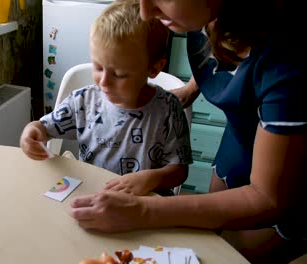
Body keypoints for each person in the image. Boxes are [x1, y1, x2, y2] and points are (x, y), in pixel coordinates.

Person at [69, 0, 307, 263]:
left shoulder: (290, 56)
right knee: (215, 233)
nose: (145, 11)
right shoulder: (201, 13)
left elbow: (267, 198)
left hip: (294, 177)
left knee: (233, 255)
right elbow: (217, 48)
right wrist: (195, 86)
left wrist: (143, 211)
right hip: (241, 137)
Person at [19, 0, 193, 196]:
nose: (104, 82)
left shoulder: (169, 109)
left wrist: (154, 178)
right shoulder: (82, 102)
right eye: (98, 67)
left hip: (144, 204)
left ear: (154, 68)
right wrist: (31, 132)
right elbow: (44, 128)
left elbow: (180, 171)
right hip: (93, 195)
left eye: (118, 74)